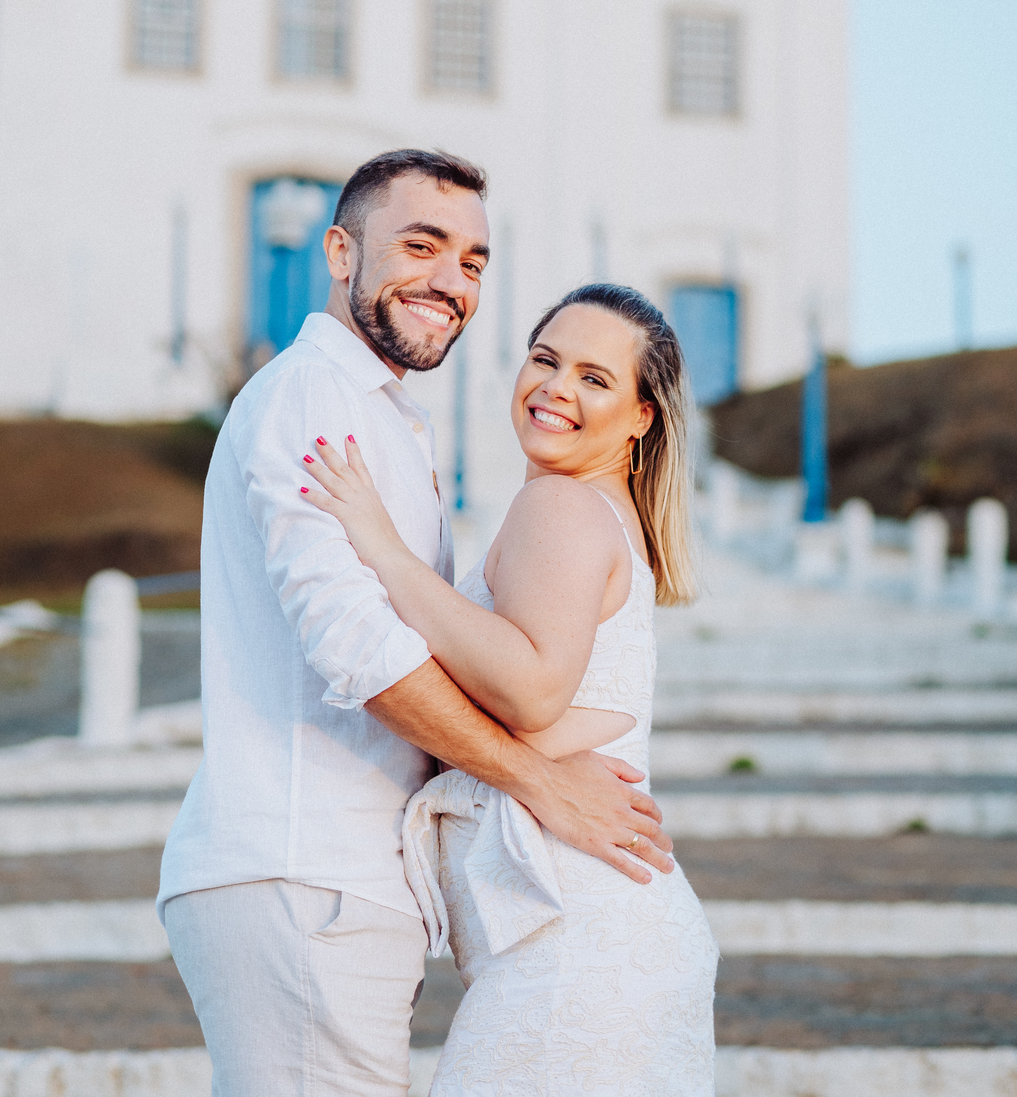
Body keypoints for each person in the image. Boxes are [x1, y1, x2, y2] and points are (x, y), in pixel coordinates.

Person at [158, 151, 676, 1097]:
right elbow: (360, 649)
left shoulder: (394, 424)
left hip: (348, 879)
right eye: (422, 246)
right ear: (341, 250)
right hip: (303, 862)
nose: (450, 280)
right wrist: (539, 780)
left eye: (473, 262)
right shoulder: (315, 396)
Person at [300, 281, 719, 1096]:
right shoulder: (595, 510)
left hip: (577, 949)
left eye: (596, 378)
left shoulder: (558, 505)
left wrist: (384, 552)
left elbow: (529, 691)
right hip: (599, 939)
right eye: (545, 359)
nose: (557, 388)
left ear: (641, 417)